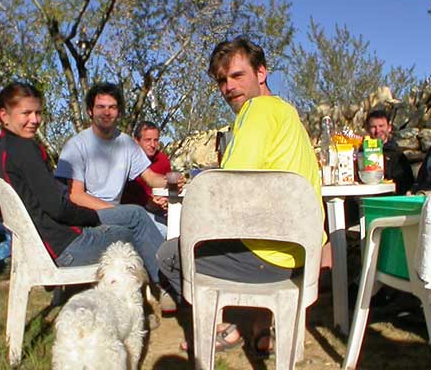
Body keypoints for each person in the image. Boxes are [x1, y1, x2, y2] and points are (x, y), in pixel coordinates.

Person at [156, 36, 323, 356]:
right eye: (222, 80)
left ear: (261, 72)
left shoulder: (256, 109)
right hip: (302, 255)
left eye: (237, 75)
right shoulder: (287, 114)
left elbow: (223, 191)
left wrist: (199, 185)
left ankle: (220, 329)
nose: (229, 86)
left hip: (269, 259)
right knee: (251, 231)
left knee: (168, 254)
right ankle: (261, 329)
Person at [0, 82, 165, 285]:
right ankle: (168, 286)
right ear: (4, 115)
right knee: (132, 230)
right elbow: (58, 207)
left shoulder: (6, 148)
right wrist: (93, 218)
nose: (34, 120)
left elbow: (50, 202)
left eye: (37, 113)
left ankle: (165, 283)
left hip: (52, 241)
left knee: (135, 215)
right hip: (63, 247)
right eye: (26, 113)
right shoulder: (25, 150)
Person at [54, 82, 175, 310]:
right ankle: (168, 285)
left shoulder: (127, 144)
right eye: (100, 107)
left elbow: (151, 178)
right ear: (90, 111)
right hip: (86, 216)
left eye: (112, 107)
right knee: (137, 217)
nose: (106, 112)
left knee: (163, 229)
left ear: (118, 111)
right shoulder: (77, 146)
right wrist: (115, 211)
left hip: (116, 216)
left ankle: (169, 283)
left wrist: (171, 179)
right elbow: (76, 196)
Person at [121, 121, 171, 237]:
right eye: (148, 140)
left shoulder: (162, 160)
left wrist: (167, 201)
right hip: (135, 212)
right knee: (164, 231)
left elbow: (166, 188)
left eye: (156, 140)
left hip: (160, 210)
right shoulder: (127, 162)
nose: (152, 145)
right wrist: (149, 202)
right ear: (136, 141)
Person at [365, 110, 414, 194]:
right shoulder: (361, 153)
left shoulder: (398, 155)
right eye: (373, 127)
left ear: (389, 128)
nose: (378, 131)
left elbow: (405, 185)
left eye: (381, 126)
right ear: (367, 129)